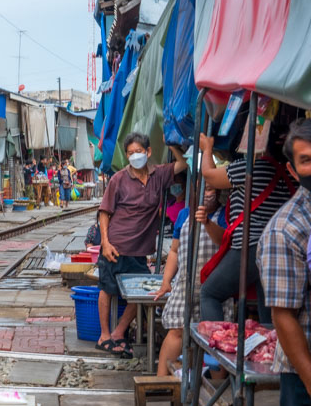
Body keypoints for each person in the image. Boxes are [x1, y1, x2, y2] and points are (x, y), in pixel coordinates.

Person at [256, 118, 311, 406]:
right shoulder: (286, 229)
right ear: (292, 170)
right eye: (307, 160)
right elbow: (283, 316)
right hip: (305, 373)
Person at [96, 133, 188, 357]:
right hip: (115, 245)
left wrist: (171, 141)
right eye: (130, 153)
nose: (134, 156)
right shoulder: (118, 179)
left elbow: (184, 164)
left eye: (139, 151)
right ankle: (104, 336)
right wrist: (105, 243)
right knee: (107, 289)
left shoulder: (159, 174)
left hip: (140, 250)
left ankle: (119, 333)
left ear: (148, 152)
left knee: (141, 295)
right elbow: (104, 213)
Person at [198, 132, 295, 325]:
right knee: (269, 309)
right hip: (279, 249)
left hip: (250, 246)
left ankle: (215, 349)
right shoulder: (292, 174)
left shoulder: (251, 167)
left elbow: (210, 176)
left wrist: (207, 149)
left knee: (210, 293)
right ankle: (269, 354)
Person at [153, 188, 226, 377]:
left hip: (216, 286)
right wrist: (166, 281)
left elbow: (225, 241)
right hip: (186, 284)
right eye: (204, 189)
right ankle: (161, 381)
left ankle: (218, 393)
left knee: (216, 335)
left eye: (211, 189)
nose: (207, 193)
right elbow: (175, 251)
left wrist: (207, 223)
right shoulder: (184, 214)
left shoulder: (224, 214)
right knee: (177, 331)